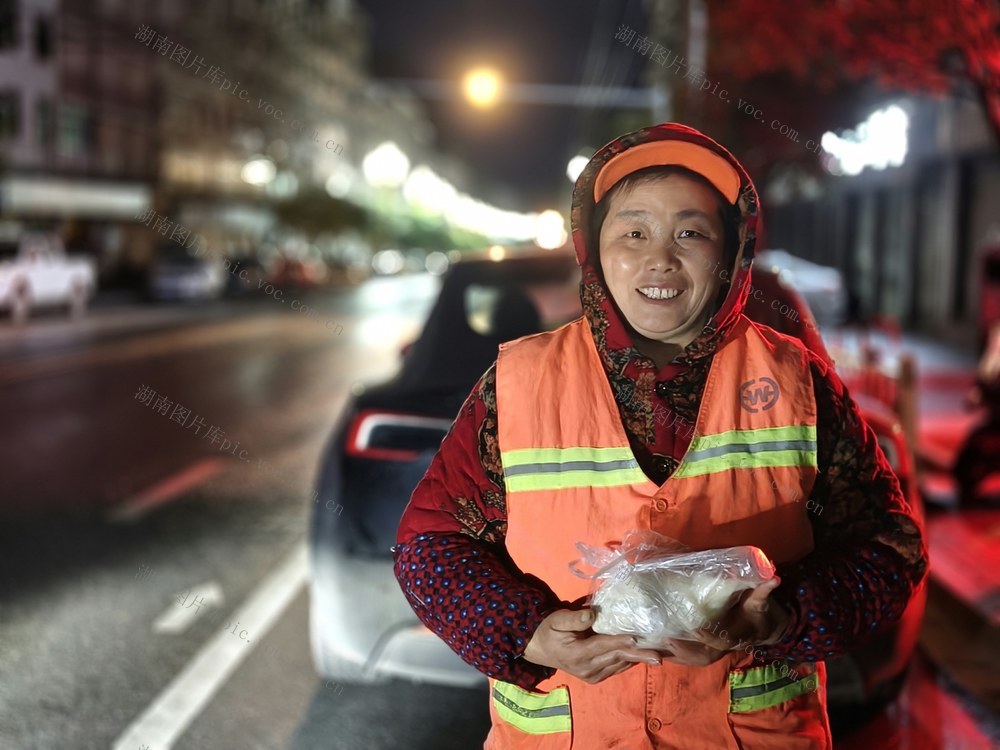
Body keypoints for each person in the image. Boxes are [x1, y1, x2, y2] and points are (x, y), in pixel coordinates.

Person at [393, 123, 927, 749]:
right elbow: (429, 547)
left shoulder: (796, 380)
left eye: (691, 233)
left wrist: (782, 619)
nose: (661, 259)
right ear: (594, 250)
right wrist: (529, 634)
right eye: (634, 232)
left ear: (731, 251)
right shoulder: (517, 384)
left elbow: (889, 547)